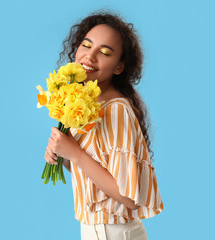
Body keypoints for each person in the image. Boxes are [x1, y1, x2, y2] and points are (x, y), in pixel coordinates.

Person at [44, 11, 164, 240]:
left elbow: (128, 197)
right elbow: (98, 179)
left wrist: (75, 154)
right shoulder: (91, 104)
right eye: (86, 45)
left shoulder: (115, 110)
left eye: (105, 52)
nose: (90, 56)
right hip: (96, 232)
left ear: (119, 67)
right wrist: (63, 156)